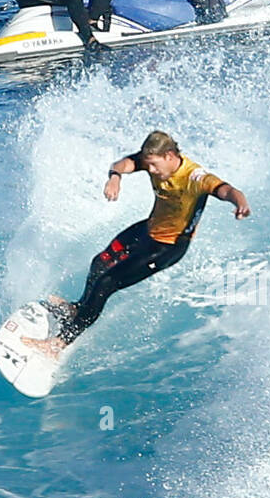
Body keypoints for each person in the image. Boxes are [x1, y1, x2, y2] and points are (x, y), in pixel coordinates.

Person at [25, 130, 250, 358]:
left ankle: (59, 344)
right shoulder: (154, 161)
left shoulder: (196, 177)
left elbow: (227, 190)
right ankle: (78, 308)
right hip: (147, 230)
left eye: (154, 165)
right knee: (99, 263)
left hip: (167, 248)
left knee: (105, 283)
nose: (150, 170)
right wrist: (115, 176)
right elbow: (124, 163)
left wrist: (240, 203)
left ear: (170, 156)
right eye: (148, 164)